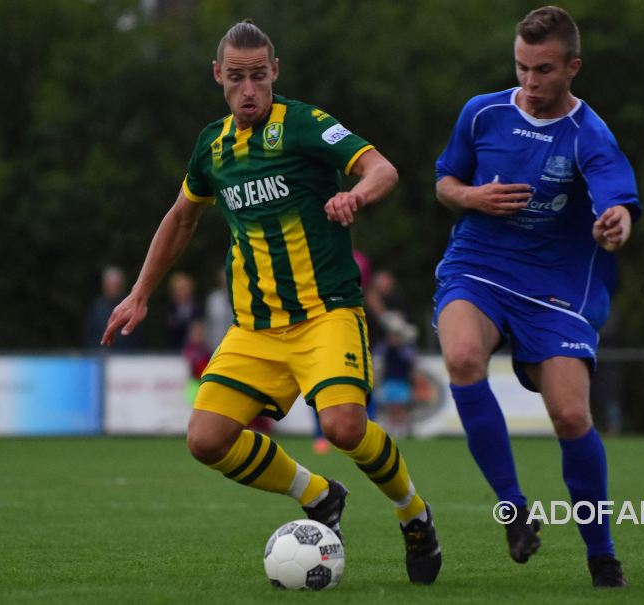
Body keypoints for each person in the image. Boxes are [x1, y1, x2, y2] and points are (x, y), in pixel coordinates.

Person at [102, 21, 440, 585]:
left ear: (274, 72)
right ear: (219, 77)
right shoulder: (213, 146)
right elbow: (182, 216)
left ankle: (414, 514)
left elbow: (382, 168)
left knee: (344, 428)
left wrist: (355, 193)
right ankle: (319, 495)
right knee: (206, 440)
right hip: (255, 329)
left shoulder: (305, 125)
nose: (249, 89)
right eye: (237, 78)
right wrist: (140, 293)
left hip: (325, 313)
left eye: (259, 76)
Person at [432, 6, 639, 588]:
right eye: (521, 68)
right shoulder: (482, 113)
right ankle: (514, 510)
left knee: (572, 415)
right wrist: (472, 198)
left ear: (572, 67)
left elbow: (615, 201)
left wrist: (615, 221)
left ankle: (602, 554)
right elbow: (446, 181)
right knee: (463, 358)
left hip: (554, 287)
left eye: (543, 70)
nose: (529, 83)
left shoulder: (590, 135)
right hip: (478, 267)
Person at [83, 266, 142, 350]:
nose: (113, 288)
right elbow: (89, 334)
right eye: (110, 284)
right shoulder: (97, 307)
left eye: (116, 285)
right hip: (100, 355)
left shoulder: (130, 305)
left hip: (126, 355)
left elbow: (137, 336)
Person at [166, 271, 204, 349]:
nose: (183, 292)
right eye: (179, 289)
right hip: (173, 351)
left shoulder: (198, 307)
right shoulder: (169, 308)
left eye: (185, 288)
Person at [204, 267, 235, 350]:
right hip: (215, 345)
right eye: (222, 281)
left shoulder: (239, 298)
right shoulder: (213, 298)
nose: (225, 283)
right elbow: (208, 322)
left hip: (235, 344)